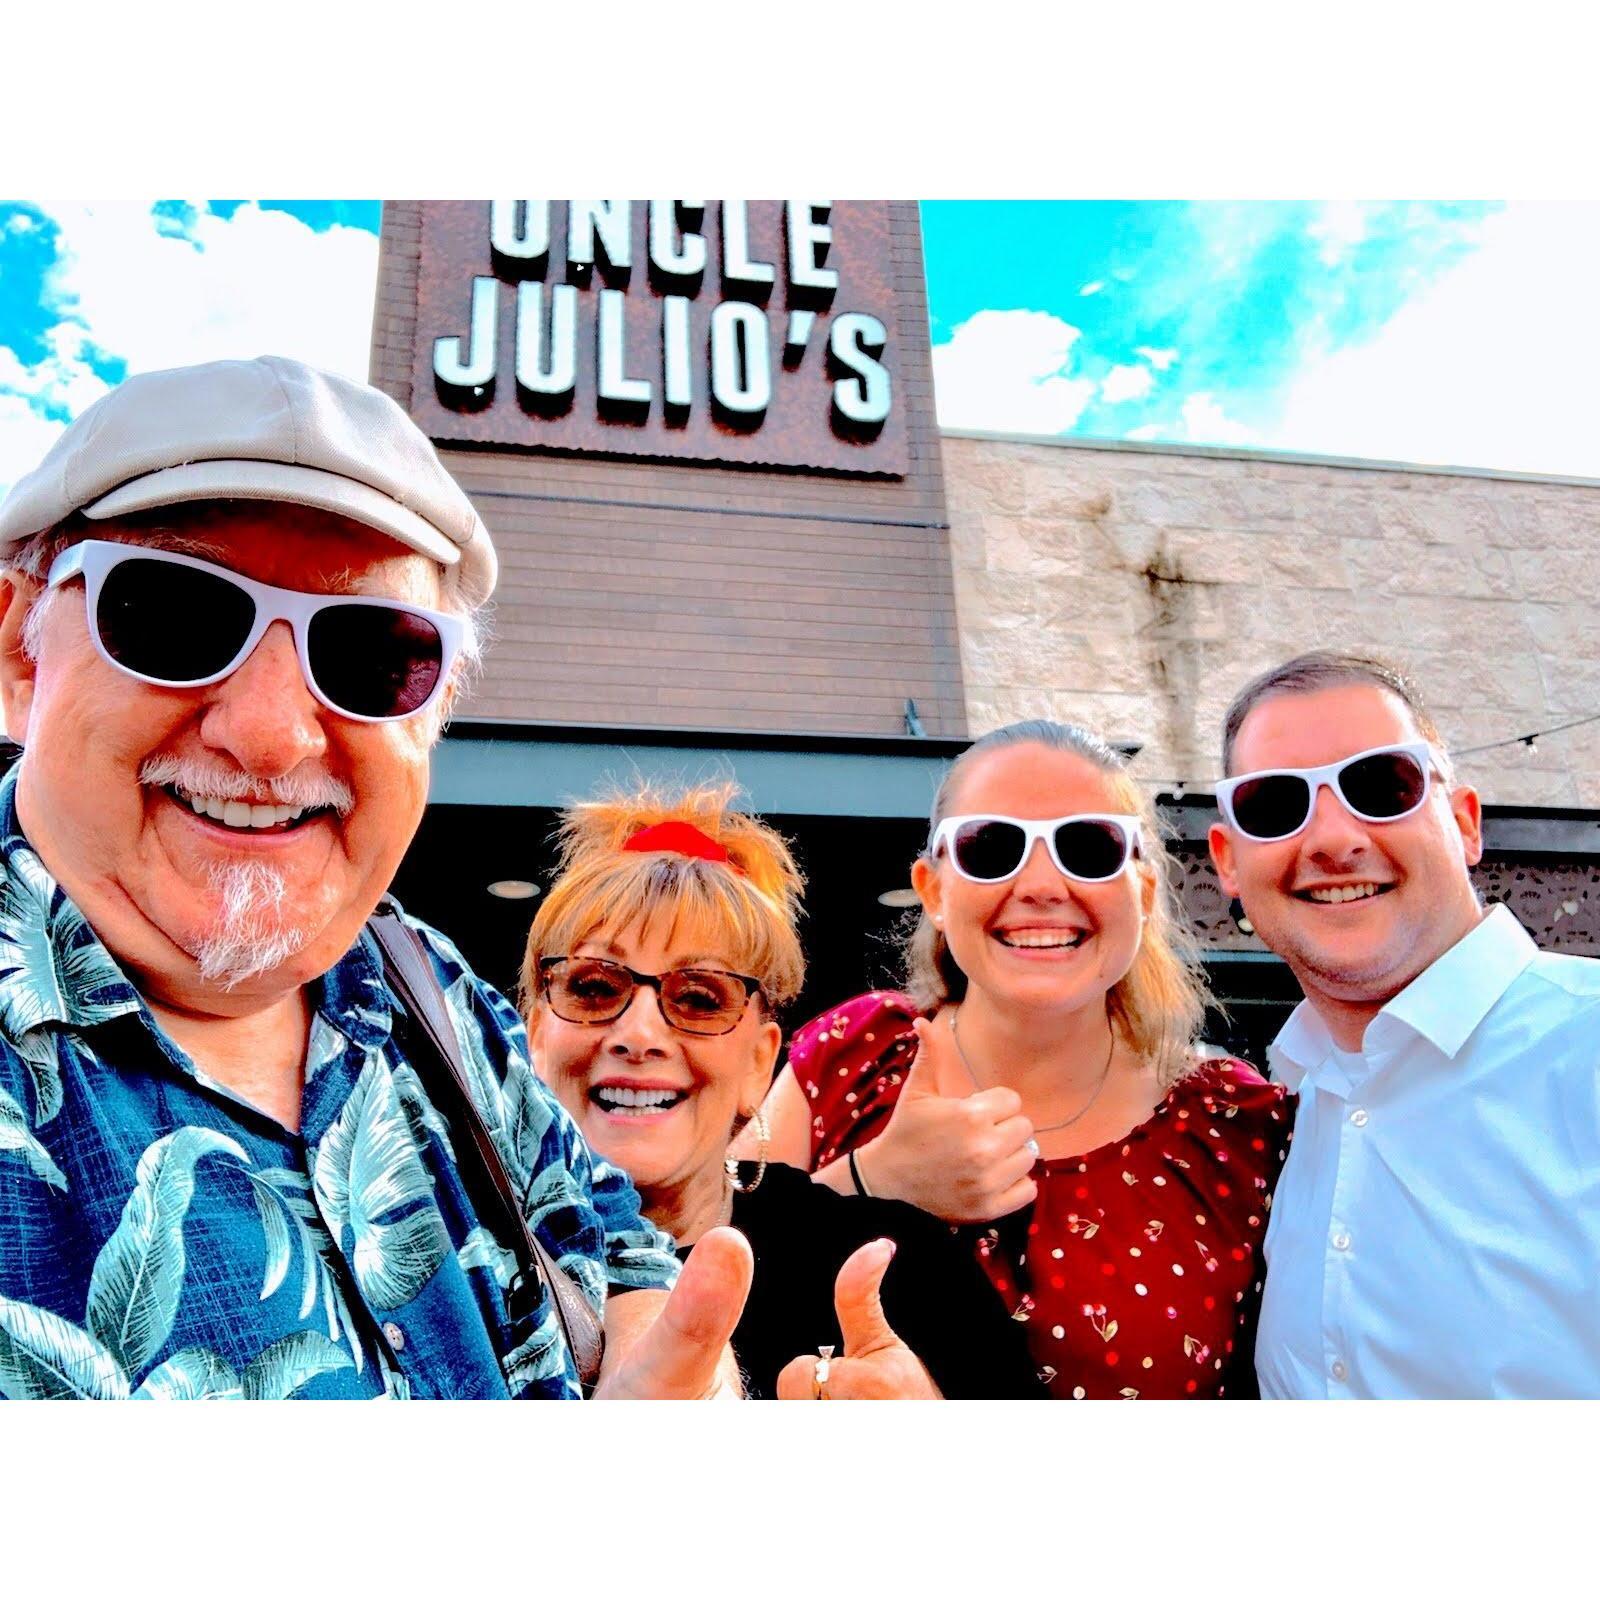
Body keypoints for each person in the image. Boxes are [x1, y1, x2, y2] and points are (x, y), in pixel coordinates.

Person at [0, 355, 753, 1400]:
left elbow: (614, 1250)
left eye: (372, 653)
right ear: (19, 650)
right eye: (171, 613)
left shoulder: (423, 981)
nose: (268, 732)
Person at [762, 720, 1293, 1399]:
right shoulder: (852, 1054)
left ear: (1146, 893)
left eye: (1089, 848)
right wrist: (868, 1178)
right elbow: (708, 1273)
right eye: (991, 849)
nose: (1041, 885)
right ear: (933, 890)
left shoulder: (1234, 1128)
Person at [521, 782, 1046, 1398]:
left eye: (698, 998)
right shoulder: (443, 1269)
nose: (639, 1035)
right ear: (534, 1035)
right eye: (594, 987)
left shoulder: (888, 1263)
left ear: (759, 1064)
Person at [1209, 650, 1600, 1399]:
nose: (1331, 839)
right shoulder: (1290, 1105)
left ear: (1463, 822)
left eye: (1380, 786)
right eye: (1273, 805)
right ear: (1229, 862)